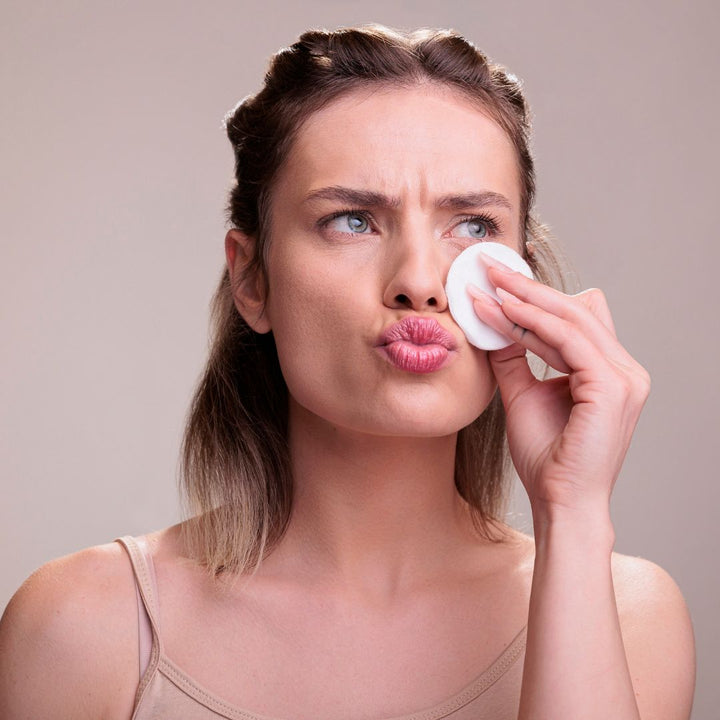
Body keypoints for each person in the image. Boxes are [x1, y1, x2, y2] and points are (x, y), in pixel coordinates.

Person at [0, 24, 695, 720]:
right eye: (352, 220)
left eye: (475, 227)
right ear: (253, 280)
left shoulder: (629, 619)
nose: (419, 282)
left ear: (523, 276)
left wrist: (570, 514)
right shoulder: (85, 633)